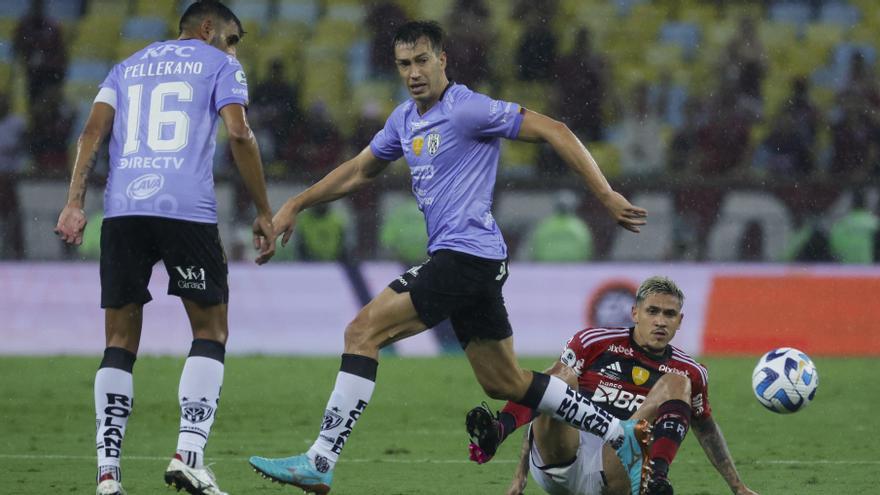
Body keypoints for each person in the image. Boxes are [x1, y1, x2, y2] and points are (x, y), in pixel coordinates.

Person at [249, 21, 648, 494]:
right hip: (476, 261)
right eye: (403, 64)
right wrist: (295, 203)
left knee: (362, 331)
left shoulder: (468, 109)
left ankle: (320, 458)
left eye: (422, 61)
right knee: (506, 383)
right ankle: (617, 431)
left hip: (465, 255)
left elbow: (555, 129)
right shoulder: (402, 120)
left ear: (442, 60)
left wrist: (604, 194)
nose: (414, 72)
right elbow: (360, 170)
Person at [53, 2, 275, 494]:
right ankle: (189, 454)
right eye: (232, 38)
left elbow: (91, 133)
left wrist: (73, 203)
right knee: (211, 329)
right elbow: (239, 132)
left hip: (124, 210)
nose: (234, 49)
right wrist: (263, 209)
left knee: (118, 342)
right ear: (208, 27)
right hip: (185, 209)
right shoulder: (221, 64)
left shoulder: (125, 67)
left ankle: (108, 473)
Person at [466, 277, 758, 495]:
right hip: (562, 457)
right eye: (652, 311)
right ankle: (499, 429)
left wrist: (738, 487)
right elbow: (546, 396)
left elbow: (705, 428)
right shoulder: (595, 342)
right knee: (562, 377)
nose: (660, 322)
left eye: (669, 315)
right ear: (635, 313)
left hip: (614, 472)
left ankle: (657, 480)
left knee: (677, 385)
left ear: (680, 321)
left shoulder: (690, 371)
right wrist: (519, 476)